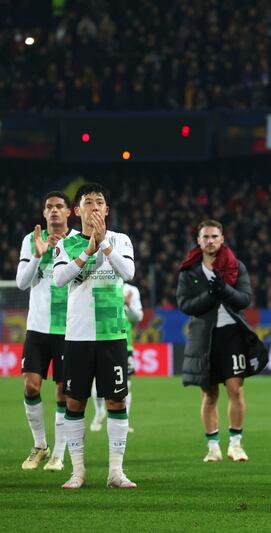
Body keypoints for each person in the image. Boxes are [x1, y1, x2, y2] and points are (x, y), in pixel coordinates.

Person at [53, 182, 136, 489]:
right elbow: (61, 279)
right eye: (88, 202)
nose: (94, 207)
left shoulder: (120, 240)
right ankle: (78, 472)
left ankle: (116, 472)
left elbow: (128, 273)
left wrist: (104, 245)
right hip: (78, 335)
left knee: (116, 400)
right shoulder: (67, 243)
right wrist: (89, 249)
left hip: (112, 333)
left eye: (99, 202)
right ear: (77, 211)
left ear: (107, 210)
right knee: (74, 402)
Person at [177, 219, 268, 463]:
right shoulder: (189, 271)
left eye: (214, 236)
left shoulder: (235, 267)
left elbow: (245, 299)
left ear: (222, 238)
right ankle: (213, 447)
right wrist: (210, 294)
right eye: (205, 237)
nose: (210, 241)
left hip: (232, 335)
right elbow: (185, 305)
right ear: (198, 240)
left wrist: (223, 289)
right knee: (209, 395)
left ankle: (236, 445)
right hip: (204, 338)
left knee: (235, 390)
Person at [17, 191, 78, 472]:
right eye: (49, 207)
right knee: (30, 385)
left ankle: (59, 453)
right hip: (37, 327)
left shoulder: (78, 241)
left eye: (59, 207)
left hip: (68, 329)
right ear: (44, 213)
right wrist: (38, 257)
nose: (54, 211)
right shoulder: (31, 240)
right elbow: (21, 283)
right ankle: (40, 445)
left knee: (63, 392)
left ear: (69, 212)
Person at [91, 282, 143, 433]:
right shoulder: (99, 282)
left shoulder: (132, 290)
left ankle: (124, 420)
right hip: (102, 338)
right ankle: (99, 412)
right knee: (98, 380)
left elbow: (137, 317)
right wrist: (119, 300)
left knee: (127, 384)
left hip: (125, 343)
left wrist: (128, 305)